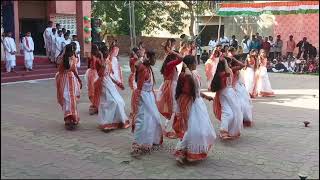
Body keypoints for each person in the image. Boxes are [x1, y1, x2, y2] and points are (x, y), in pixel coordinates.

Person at [174, 55, 216, 164]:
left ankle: (187, 151)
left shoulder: (195, 74)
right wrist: (186, 67)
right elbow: (189, 80)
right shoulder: (185, 75)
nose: (196, 63)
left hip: (198, 104)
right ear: (190, 64)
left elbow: (196, 90)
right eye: (195, 61)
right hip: (190, 105)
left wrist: (206, 96)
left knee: (201, 130)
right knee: (192, 130)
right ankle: (181, 152)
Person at [131, 50, 163, 156]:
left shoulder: (148, 68)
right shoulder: (143, 69)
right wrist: (137, 103)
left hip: (149, 97)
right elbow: (139, 88)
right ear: (149, 58)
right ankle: (136, 146)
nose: (155, 60)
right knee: (142, 120)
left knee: (153, 119)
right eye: (154, 58)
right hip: (143, 97)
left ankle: (149, 141)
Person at [93, 45, 129, 132]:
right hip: (102, 82)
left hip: (109, 82)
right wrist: (103, 61)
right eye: (104, 51)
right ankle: (106, 122)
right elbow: (101, 73)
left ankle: (118, 121)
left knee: (119, 101)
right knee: (109, 102)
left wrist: (118, 83)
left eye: (107, 51)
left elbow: (109, 75)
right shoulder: (98, 61)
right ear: (101, 52)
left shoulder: (108, 61)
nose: (107, 53)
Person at [211, 56, 243, 140]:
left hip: (230, 93)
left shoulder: (229, 69)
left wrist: (234, 59)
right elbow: (228, 73)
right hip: (225, 93)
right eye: (229, 63)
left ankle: (228, 131)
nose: (230, 64)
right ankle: (223, 131)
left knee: (234, 113)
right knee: (228, 112)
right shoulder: (221, 73)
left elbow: (242, 65)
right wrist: (225, 62)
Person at [55, 44, 82, 130]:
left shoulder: (62, 58)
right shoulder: (73, 58)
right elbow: (74, 70)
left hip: (64, 80)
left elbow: (59, 69)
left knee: (66, 99)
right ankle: (72, 118)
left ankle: (68, 119)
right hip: (71, 79)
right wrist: (79, 80)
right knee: (72, 99)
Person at [157, 53, 183, 139]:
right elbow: (181, 58)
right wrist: (174, 52)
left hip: (172, 86)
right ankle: (171, 129)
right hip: (171, 87)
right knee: (173, 107)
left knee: (173, 107)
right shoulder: (169, 64)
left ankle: (170, 127)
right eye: (175, 57)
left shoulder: (170, 64)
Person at [227, 47, 253, 127]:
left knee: (244, 102)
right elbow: (243, 65)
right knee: (240, 103)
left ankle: (243, 118)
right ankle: (240, 118)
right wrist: (234, 59)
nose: (241, 61)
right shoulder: (233, 68)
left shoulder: (236, 68)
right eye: (240, 60)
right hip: (236, 87)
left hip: (240, 86)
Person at [85, 44, 99, 115]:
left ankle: (96, 105)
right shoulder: (93, 56)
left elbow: (91, 65)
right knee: (93, 90)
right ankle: (95, 105)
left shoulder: (94, 56)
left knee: (94, 90)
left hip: (94, 74)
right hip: (94, 74)